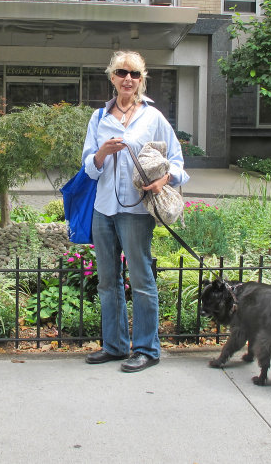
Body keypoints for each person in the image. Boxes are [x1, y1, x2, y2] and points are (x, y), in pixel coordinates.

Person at [80, 50, 189, 373]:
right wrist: (100, 153)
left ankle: (146, 349)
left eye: (135, 74)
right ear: (111, 77)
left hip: (136, 212)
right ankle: (114, 346)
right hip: (104, 210)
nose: (128, 79)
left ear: (142, 80)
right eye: (122, 72)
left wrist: (164, 180)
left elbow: (179, 162)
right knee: (107, 282)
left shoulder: (153, 118)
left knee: (141, 280)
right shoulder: (99, 118)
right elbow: (88, 168)